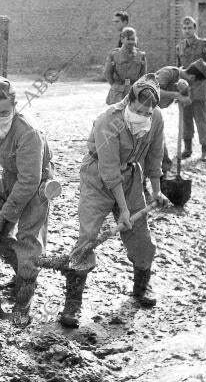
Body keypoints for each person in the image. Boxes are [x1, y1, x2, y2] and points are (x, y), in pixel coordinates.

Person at [58, 74, 170, 329]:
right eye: (137, 108)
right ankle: (72, 304)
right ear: (128, 101)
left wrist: (156, 191)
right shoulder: (108, 120)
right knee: (88, 237)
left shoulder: (157, 119)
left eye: (147, 110)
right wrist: (123, 211)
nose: (142, 113)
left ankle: (142, 287)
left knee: (140, 234)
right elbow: (109, 171)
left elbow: (155, 157)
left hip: (130, 176)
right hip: (98, 177)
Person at [0, 77, 54, 326]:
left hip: (37, 182)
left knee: (28, 240)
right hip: (11, 175)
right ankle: (21, 274)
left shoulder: (28, 132)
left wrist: (6, 211)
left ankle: (23, 301)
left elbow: (29, 182)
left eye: (4, 112)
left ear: (15, 105)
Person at [176, 16, 206, 161]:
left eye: (190, 28)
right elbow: (177, 66)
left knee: (201, 119)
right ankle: (188, 148)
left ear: (195, 28)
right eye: (184, 28)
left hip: (200, 86)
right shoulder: (179, 47)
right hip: (185, 87)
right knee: (185, 119)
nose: (187, 31)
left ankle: (205, 150)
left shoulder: (204, 44)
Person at [153, 59, 206, 174]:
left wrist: (183, 98)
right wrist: (175, 95)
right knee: (148, 146)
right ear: (193, 78)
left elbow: (181, 97)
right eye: (196, 83)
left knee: (159, 145)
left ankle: (163, 177)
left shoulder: (182, 83)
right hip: (140, 110)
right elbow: (152, 90)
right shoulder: (169, 72)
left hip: (153, 112)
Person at [104, 27, 147, 105]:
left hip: (134, 91)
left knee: (134, 115)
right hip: (118, 92)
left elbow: (143, 75)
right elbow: (107, 73)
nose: (131, 42)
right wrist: (116, 86)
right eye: (128, 39)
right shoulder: (114, 55)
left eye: (133, 39)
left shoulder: (141, 55)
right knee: (117, 115)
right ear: (122, 40)